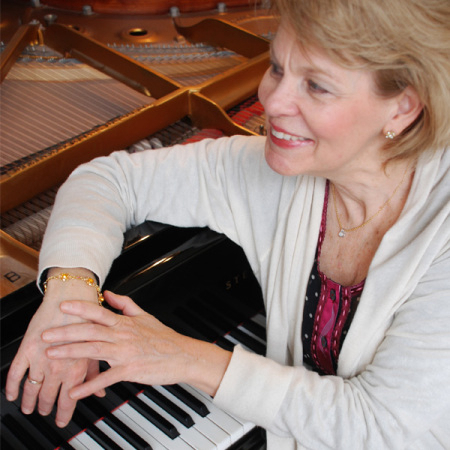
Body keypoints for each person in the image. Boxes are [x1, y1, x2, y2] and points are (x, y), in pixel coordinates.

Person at [5, 0, 450, 448]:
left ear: (402, 108)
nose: (272, 100)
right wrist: (70, 291)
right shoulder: (274, 174)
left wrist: (187, 357)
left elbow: (378, 423)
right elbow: (107, 179)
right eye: (276, 67)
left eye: (316, 86)